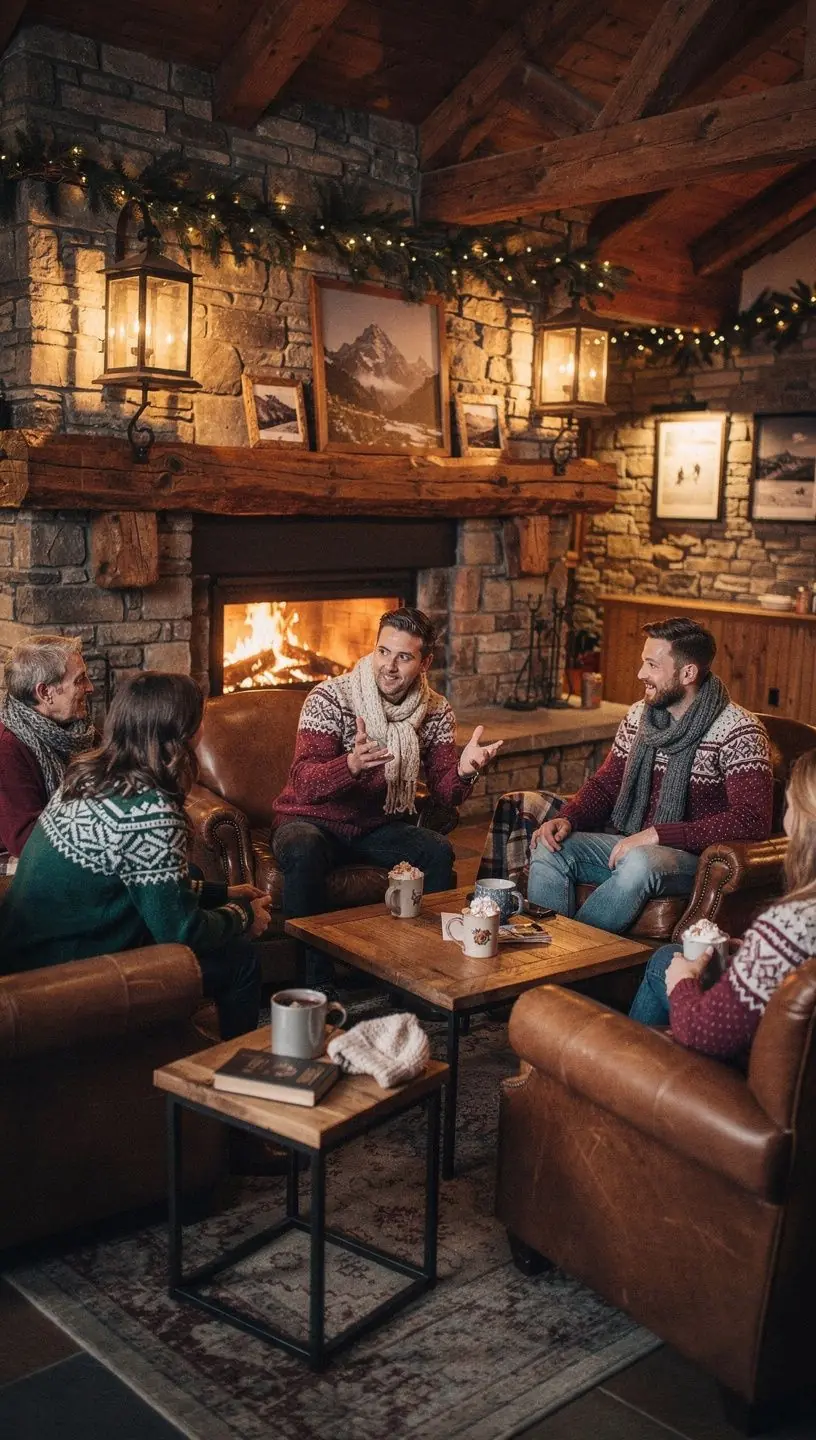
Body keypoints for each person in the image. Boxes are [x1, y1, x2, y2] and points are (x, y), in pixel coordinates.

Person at [0, 672, 271, 1042]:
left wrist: (225, 894)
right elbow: (181, 933)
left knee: (190, 870)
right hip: (65, 970)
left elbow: (136, 877)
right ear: (182, 733)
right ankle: (236, 1071)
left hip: (27, 948)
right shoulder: (150, 813)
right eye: (200, 717)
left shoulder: (89, 773)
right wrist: (242, 915)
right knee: (240, 959)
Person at [272, 606, 502, 986]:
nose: (389, 666)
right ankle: (313, 986)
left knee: (436, 851)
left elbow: (446, 793)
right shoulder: (330, 698)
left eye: (404, 656)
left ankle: (426, 976)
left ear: (425, 661)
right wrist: (350, 765)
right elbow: (304, 783)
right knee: (303, 848)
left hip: (376, 826)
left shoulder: (436, 711)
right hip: (309, 820)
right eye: (383, 651)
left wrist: (464, 770)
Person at [523, 617, 773, 933]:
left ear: (688, 673)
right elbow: (608, 784)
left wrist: (658, 834)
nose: (641, 674)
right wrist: (568, 818)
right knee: (549, 845)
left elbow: (751, 820)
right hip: (631, 845)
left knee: (640, 861)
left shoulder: (739, 731)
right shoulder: (639, 715)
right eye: (644, 663)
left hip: (691, 860)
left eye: (652, 665)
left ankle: (574, 954)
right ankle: (547, 950)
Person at [629, 747, 816, 1059]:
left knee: (666, 964)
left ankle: (623, 1067)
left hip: (759, 1066)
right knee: (668, 954)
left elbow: (703, 1033)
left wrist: (682, 981)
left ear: (803, 821)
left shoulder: (791, 924)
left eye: (789, 804)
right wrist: (753, 954)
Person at [0, 634, 95, 872]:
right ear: (45, 693)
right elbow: (25, 841)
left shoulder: (75, 730)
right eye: (80, 680)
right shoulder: (7, 748)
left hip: (59, 842)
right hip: (19, 858)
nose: (90, 687)